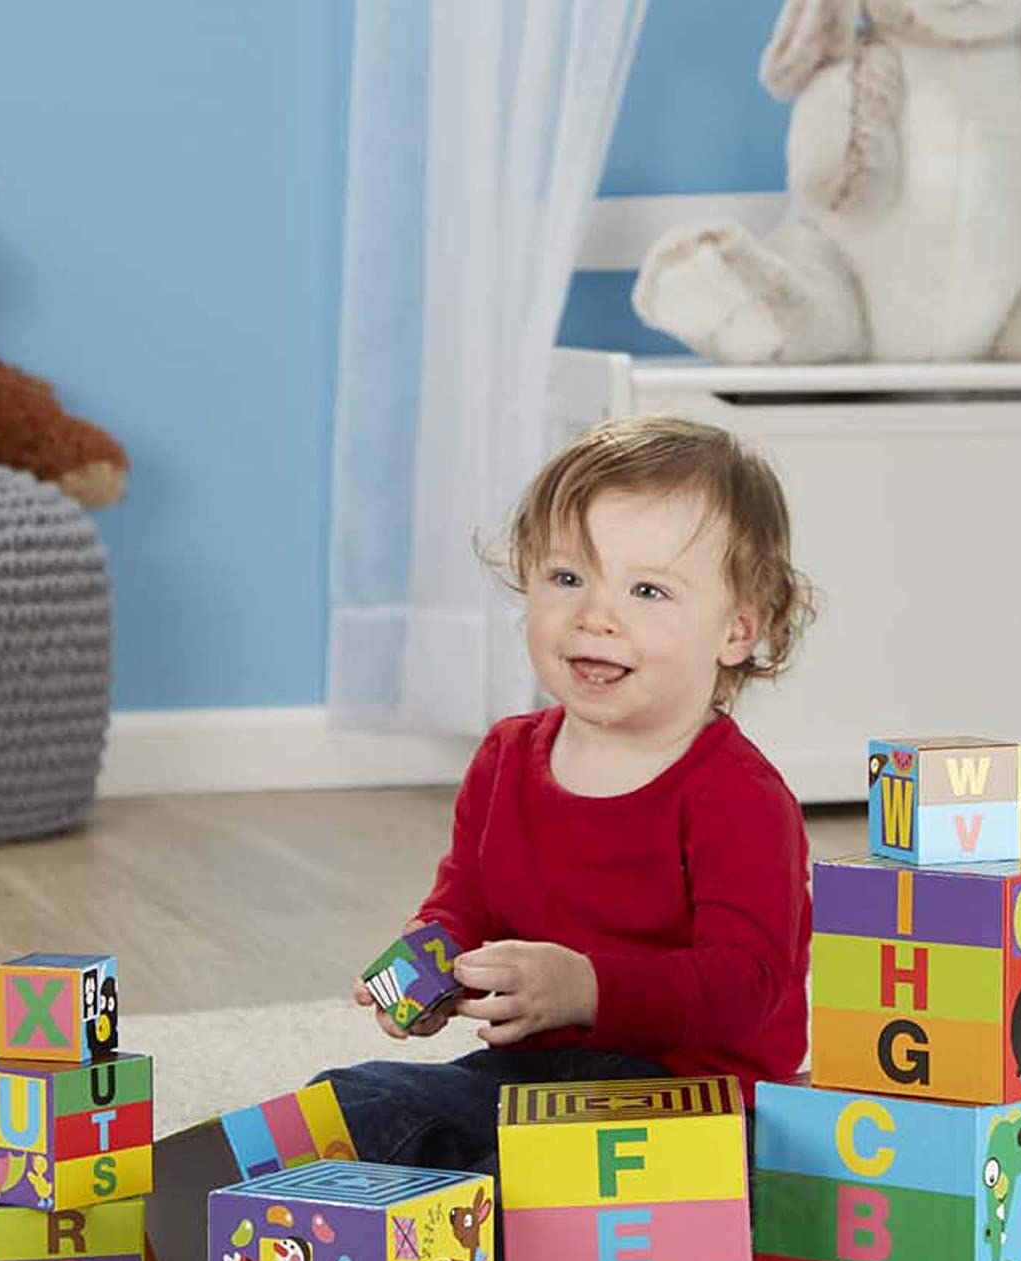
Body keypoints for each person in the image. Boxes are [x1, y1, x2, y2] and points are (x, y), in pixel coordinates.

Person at [314, 413, 815, 1189]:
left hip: (695, 1106)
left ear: (738, 631)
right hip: (534, 1085)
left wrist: (586, 987)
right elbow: (467, 900)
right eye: (567, 578)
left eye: (647, 590)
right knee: (349, 1105)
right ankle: (234, 1231)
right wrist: (431, 960)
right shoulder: (506, 757)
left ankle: (443, 1239)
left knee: (550, 1198)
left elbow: (746, 986)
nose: (595, 615)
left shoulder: (740, 798)